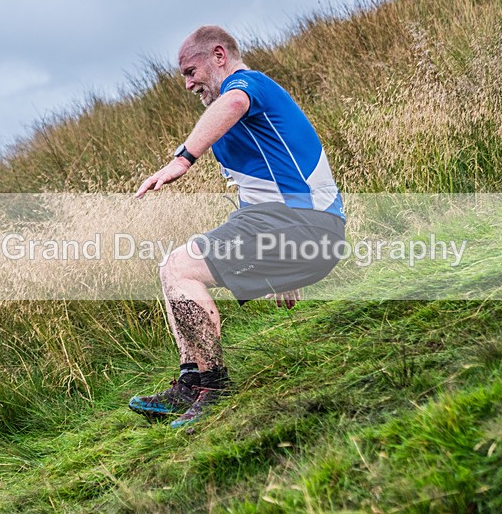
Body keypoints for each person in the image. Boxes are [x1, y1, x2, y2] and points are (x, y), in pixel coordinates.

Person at [129, 25, 346, 428]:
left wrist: (182, 160)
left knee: (180, 267)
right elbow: (259, 190)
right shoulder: (236, 125)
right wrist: (282, 269)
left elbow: (231, 104)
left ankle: (214, 386)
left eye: (191, 72)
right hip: (293, 230)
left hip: (306, 225)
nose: (189, 84)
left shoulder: (247, 86)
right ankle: (191, 382)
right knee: (172, 269)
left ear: (218, 55)